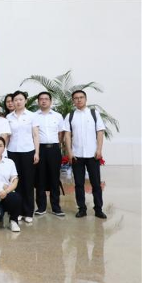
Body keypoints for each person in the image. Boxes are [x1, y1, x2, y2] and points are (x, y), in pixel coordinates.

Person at [63, 90, 107, 219]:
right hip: (77, 155)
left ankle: (98, 209)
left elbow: (100, 132)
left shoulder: (94, 114)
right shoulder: (70, 116)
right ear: (73, 101)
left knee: (96, 183)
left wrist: (99, 150)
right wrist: (69, 152)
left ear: (85, 99)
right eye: (76, 98)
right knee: (78, 184)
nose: (79, 100)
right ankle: (82, 209)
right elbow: (67, 135)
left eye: (81, 97)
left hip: (92, 155)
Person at [6, 90, 40, 223]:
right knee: (16, 182)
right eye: (15, 100)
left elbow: (35, 135)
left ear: (25, 101)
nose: (18, 102)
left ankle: (28, 211)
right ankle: (18, 211)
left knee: (28, 182)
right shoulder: (9, 117)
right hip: (12, 152)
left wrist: (37, 152)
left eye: (20, 99)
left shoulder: (32, 116)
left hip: (28, 151)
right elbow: (7, 137)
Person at [34, 91, 65, 217]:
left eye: (46, 99)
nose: (44, 101)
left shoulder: (57, 116)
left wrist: (58, 145)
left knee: (54, 178)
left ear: (50, 101)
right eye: (41, 99)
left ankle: (56, 207)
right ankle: (41, 207)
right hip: (40, 149)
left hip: (54, 149)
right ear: (38, 101)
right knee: (40, 178)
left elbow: (61, 133)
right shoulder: (34, 116)